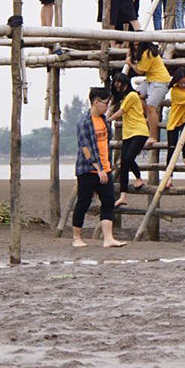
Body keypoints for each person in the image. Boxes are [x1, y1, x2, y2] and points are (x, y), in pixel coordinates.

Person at [71, 87, 125, 248]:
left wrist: (106, 168)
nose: (107, 106)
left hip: (106, 168)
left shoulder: (103, 120)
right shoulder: (84, 122)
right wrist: (99, 169)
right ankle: (76, 238)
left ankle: (108, 238)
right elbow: (86, 148)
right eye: (105, 103)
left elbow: (105, 144)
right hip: (88, 170)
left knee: (108, 201)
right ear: (96, 102)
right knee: (83, 202)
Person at [108, 72, 148, 206]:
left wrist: (107, 120)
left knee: (128, 159)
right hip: (128, 133)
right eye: (115, 83)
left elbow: (121, 112)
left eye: (119, 83)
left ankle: (138, 178)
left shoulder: (131, 95)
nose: (117, 85)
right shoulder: (124, 98)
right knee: (124, 165)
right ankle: (123, 195)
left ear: (124, 82)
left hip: (139, 131)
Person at [128, 41, 171, 143]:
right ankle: (149, 117)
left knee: (151, 106)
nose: (136, 47)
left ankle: (153, 136)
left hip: (160, 81)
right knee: (134, 95)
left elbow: (140, 71)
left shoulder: (148, 53)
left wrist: (129, 63)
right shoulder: (142, 53)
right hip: (150, 80)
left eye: (138, 45)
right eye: (134, 45)